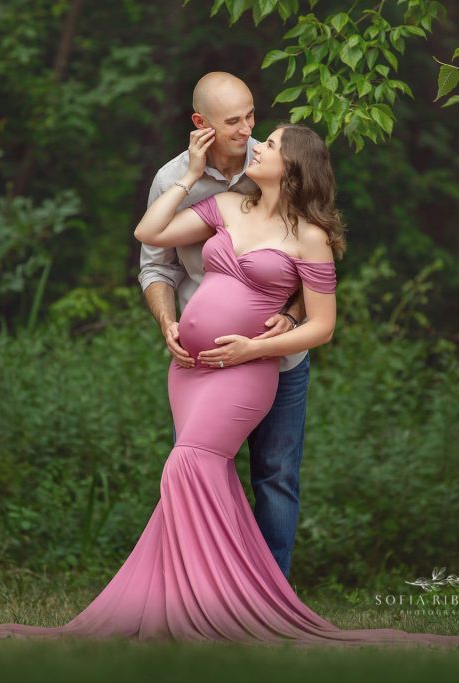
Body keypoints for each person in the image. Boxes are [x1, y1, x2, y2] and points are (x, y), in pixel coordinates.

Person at [0, 116, 459, 648]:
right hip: (190, 371)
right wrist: (189, 174)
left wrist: (256, 347)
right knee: (201, 476)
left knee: (188, 464)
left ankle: (226, 604)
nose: (258, 144)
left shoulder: (309, 236)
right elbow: (148, 234)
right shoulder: (226, 206)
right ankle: (197, 600)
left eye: (269, 143)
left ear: (293, 167)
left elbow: (323, 326)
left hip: (247, 370)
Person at [139, 72, 308, 580]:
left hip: (278, 357)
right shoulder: (174, 180)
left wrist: (294, 312)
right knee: (197, 470)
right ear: (201, 124)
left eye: (251, 115)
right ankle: (198, 592)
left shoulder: (277, 164)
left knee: (276, 474)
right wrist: (168, 322)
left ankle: (269, 595)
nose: (248, 129)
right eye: (233, 121)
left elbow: (314, 258)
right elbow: (155, 263)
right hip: (200, 362)